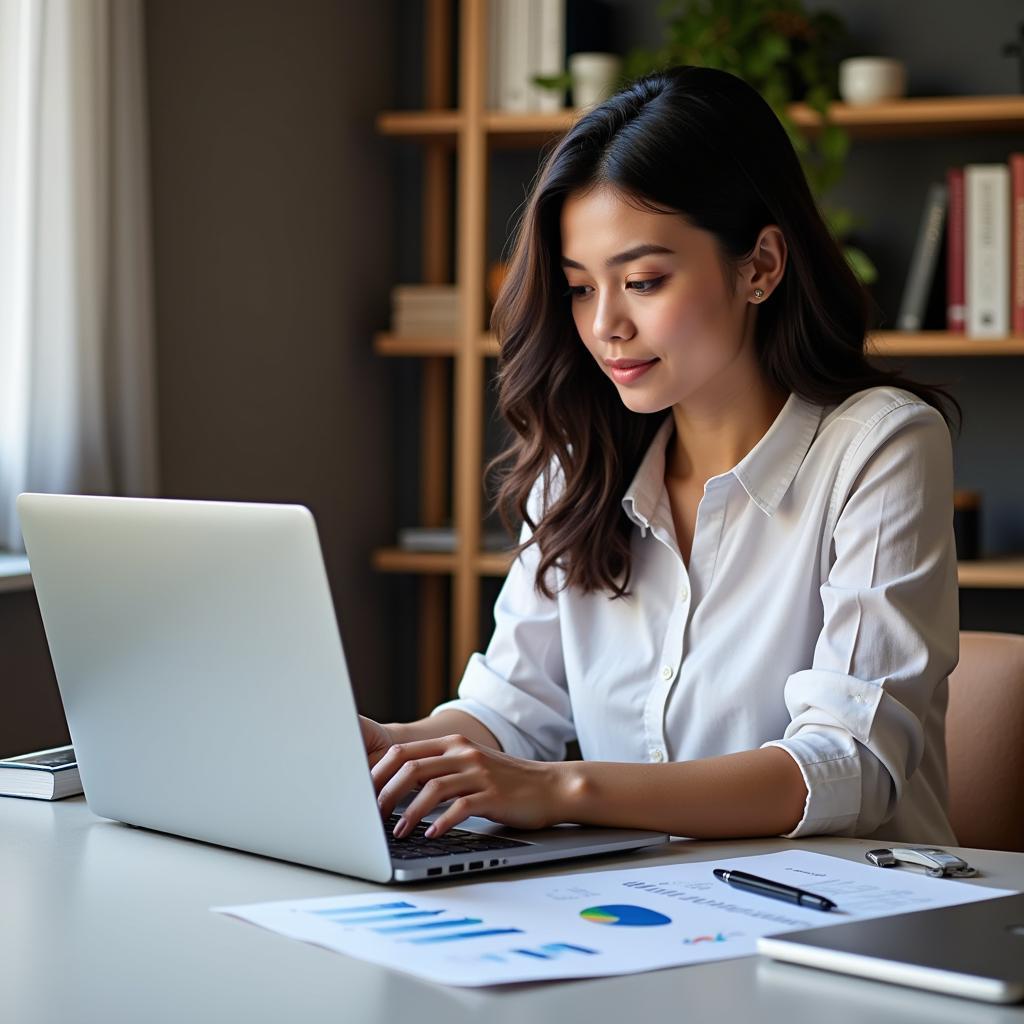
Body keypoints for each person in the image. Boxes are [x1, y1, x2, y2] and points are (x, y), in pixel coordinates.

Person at [360, 64, 963, 846]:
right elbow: (511, 708)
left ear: (761, 267)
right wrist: (393, 752)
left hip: (847, 922)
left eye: (642, 280)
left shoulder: (879, 444)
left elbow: (846, 765)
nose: (606, 324)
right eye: (580, 288)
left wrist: (560, 788)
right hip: (647, 916)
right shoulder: (580, 465)